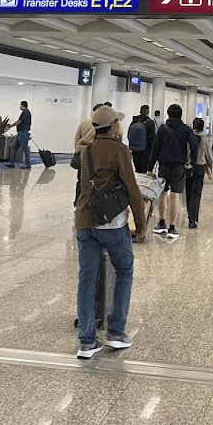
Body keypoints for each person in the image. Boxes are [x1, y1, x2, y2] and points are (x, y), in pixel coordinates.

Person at [75, 105, 146, 358]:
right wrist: (141, 222)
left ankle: (87, 340)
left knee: (87, 278)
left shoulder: (86, 152)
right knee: (124, 270)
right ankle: (115, 333)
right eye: (118, 122)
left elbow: (84, 187)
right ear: (113, 125)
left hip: (84, 222)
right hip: (112, 224)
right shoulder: (119, 150)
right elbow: (132, 188)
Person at [148, 104, 197, 241]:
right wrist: (191, 162)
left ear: (168, 114)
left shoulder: (162, 129)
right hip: (179, 167)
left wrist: (150, 168)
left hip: (163, 166)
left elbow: (155, 149)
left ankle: (162, 223)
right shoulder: (186, 129)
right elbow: (194, 146)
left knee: (163, 194)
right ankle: (172, 228)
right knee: (175, 196)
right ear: (181, 114)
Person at [185, 117, 212, 228]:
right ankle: (193, 218)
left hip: (188, 167)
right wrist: (210, 167)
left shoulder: (187, 138)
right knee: (196, 194)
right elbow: (209, 156)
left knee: (189, 193)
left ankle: (189, 215)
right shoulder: (204, 139)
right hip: (200, 167)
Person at [126, 104, 155, 174]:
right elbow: (152, 139)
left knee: (137, 171)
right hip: (145, 151)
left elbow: (128, 136)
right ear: (148, 112)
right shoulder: (150, 122)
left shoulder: (134, 121)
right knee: (145, 172)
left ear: (140, 111)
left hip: (134, 150)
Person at [7, 100, 32, 169]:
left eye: (20, 105)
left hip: (23, 133)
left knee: (25, 149)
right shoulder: (26, 112)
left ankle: (28, 164)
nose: (20, 107)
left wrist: (10, 126)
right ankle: (12, 163)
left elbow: (19, 121)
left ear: (23, 105)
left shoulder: (25, 113)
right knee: (15, 148)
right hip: (20, 133)